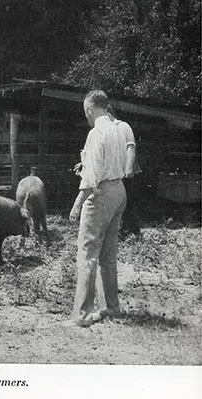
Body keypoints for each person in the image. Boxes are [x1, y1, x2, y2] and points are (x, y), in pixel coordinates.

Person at [67, 90, 127, 327]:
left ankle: (81, 316)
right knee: (108, 256)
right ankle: (111, 308)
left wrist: (77, 204)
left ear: (90, 109)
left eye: (86, 112)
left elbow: (91, 177)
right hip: (119, 191)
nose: (86, 116)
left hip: (100, 194)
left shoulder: (95, 133)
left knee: (87, 253)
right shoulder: (119, 129)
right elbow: (114, 162)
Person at [107, 105, 142, 238]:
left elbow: (131, 147)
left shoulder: (123, 126)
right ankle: (121, 229)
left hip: (125, 170)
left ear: (110, 113)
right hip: (114, 171)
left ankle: (133, 230)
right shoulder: (107, 130)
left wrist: (128, 167)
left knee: (126, 200)